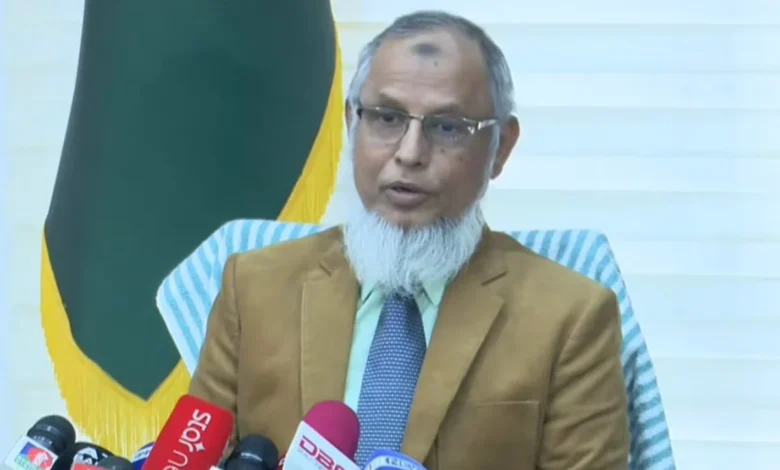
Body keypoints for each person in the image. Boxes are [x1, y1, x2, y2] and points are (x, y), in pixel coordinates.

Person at [189, 10, 629, 470]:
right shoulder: (254, 288)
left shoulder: (571, 318)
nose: (410, 153)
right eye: (386, 118)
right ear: (351, 123)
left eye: (448, 127)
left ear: (501, 147)